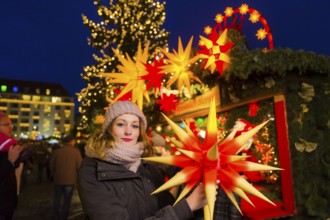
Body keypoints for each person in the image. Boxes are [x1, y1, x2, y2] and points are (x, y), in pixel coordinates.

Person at [78, 100, 207, 220]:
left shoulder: (149, 167)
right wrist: (187, 206)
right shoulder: (92, 171)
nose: (128, 131)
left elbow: (165, 206)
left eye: (134, 126)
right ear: (109, 129)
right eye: (121, 124)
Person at [50, 134, 83, 220]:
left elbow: (51, 165)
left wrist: (54, 174)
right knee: (67, 200)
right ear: (71, 141)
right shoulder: (76, 152)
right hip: (70, 180)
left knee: (57, 198)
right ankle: (64, 216)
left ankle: (56, 215)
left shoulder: (57, 151)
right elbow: (79, 166)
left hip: (58, 179)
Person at [0, 111, 23, 220]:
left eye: (11, 124)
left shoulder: (6, 146)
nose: (11, 128)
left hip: (7, 203)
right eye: (7, 124)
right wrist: (10, 161)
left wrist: (18, 159)